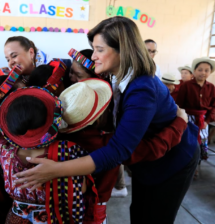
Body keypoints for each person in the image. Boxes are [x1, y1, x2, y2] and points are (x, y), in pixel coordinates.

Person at [12, 17, 199, 224]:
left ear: (123, 50)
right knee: (139, 210)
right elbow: (59, 67)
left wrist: (55, 171)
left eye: (99, 49)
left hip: (173, 159)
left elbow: (119, 151)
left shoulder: (142, 88)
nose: (94, 56)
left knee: (154, 215)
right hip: (150, 155)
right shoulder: (114, 74)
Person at [58, 78, 189, 223]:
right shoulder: (108, 144)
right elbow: (153, 148)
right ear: (98, 118)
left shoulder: (63, 138)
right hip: (93, 209)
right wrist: (180, 123)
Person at [0, 87, 99, 223]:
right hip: (55, 218)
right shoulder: (68, 149)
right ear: (49, 120)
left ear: (12, 128)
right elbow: (81, 188)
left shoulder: (3, 151)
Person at [68, 48, 128, 197]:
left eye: (79, 75)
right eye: (71, 72)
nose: (72, 78)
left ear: (95, 79)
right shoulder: (72, 94)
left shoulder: (103, 109)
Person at [176, 57, 215, 163]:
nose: (203, 72)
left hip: (203, 120)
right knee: (187, 142)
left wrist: (207, 121)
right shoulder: (186, 86)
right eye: (200, 69)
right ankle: (186, 164)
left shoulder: (211, 87)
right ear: (194, 71)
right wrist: (182, 120)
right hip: (188, 119)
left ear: (210, 72)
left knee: (200, 142)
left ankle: (196, 164)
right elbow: (179, 105)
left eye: (206, 70)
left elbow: (214, 106)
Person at [2, 36, 72, 87]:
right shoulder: (15, 82)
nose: (11, 63)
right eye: (8, 59)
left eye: (14, 56)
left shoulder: (61, 70)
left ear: (31, 53)